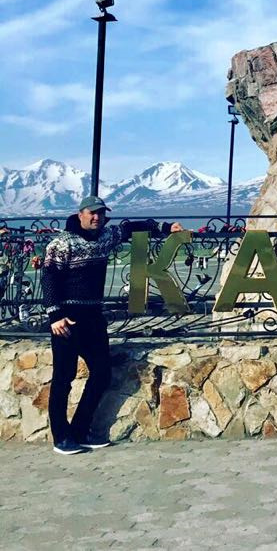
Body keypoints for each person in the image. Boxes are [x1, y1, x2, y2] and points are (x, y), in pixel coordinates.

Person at [41, 195, 183, 455]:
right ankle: (61, 438)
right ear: (80, 213)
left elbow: (130, 227)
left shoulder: (106, 237)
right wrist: (54, 315)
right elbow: (49, 277)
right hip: (67, 319)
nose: (97, 217)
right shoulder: (62, 243)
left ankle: (80, 431)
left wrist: (165, 227)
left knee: (102, 373)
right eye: (92, 213)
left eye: (101, 213)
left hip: (93, 317)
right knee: (63, 378)